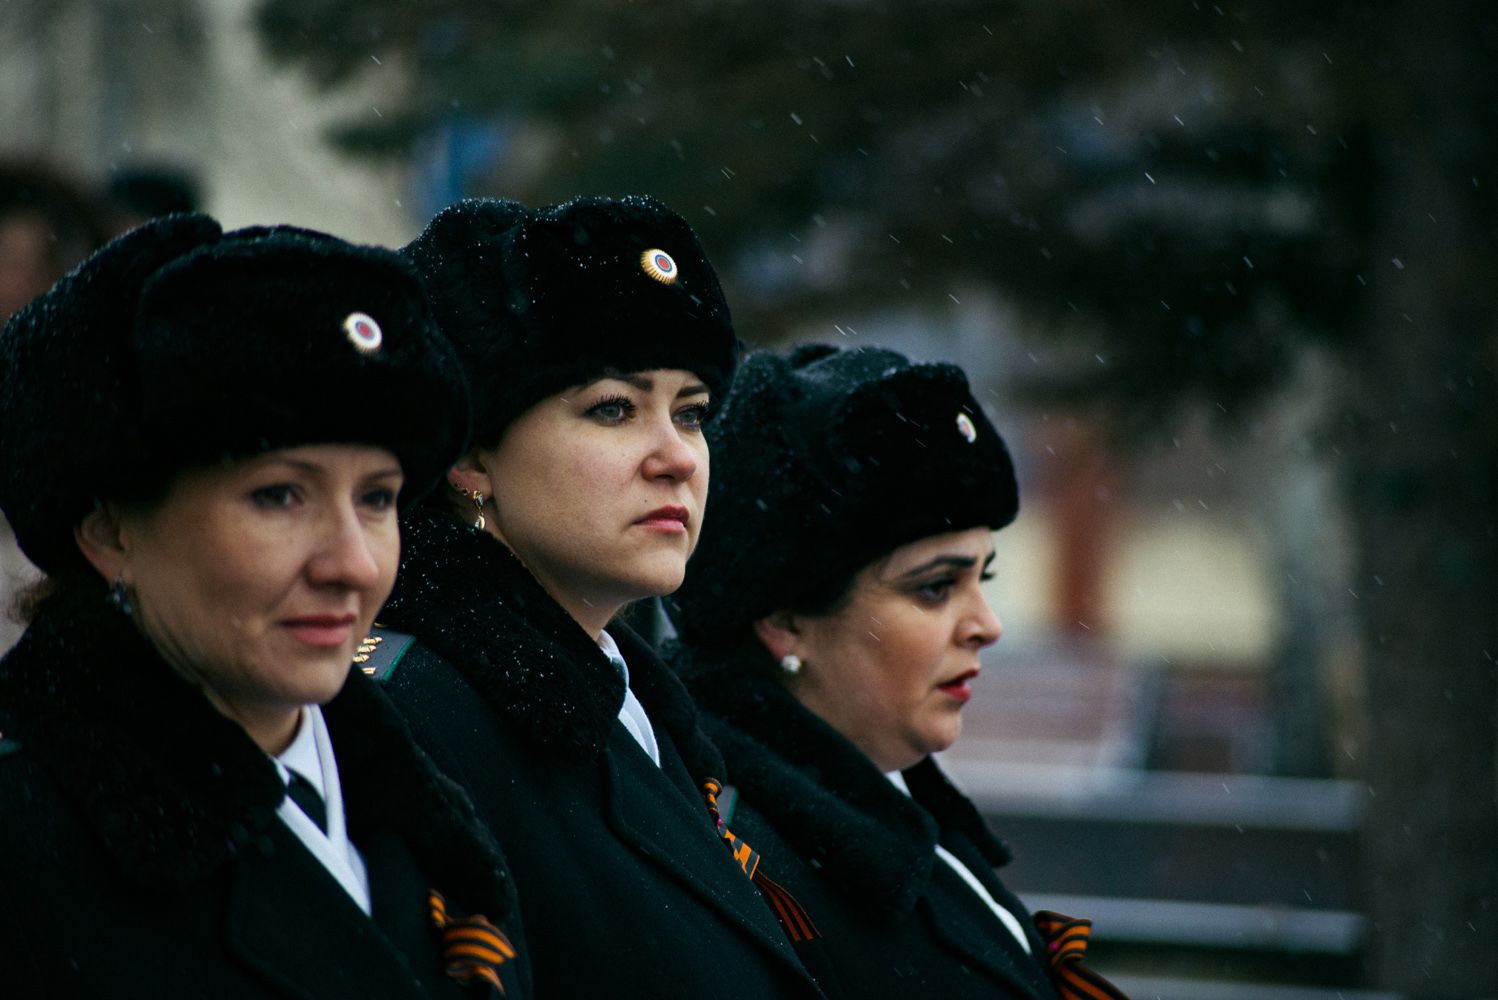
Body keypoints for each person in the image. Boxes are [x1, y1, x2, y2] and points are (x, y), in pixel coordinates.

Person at [0, 213, 529, 998]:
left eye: (377, 499)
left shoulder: (426, 798)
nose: (352, 564)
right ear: (110, 532)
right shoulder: (27, 853)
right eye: (280, 496)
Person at [371, 195, 824, 999]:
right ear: (472, 456)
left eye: (692, 413)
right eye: (614, 409)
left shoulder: (637, 709)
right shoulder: (418, 717)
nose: (677, 457)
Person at [666, 344, 1129, 1000]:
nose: (987, 624)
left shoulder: (900, 819)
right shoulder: (741, 868)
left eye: (984, 577)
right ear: (785, 621)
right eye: (935, 588)